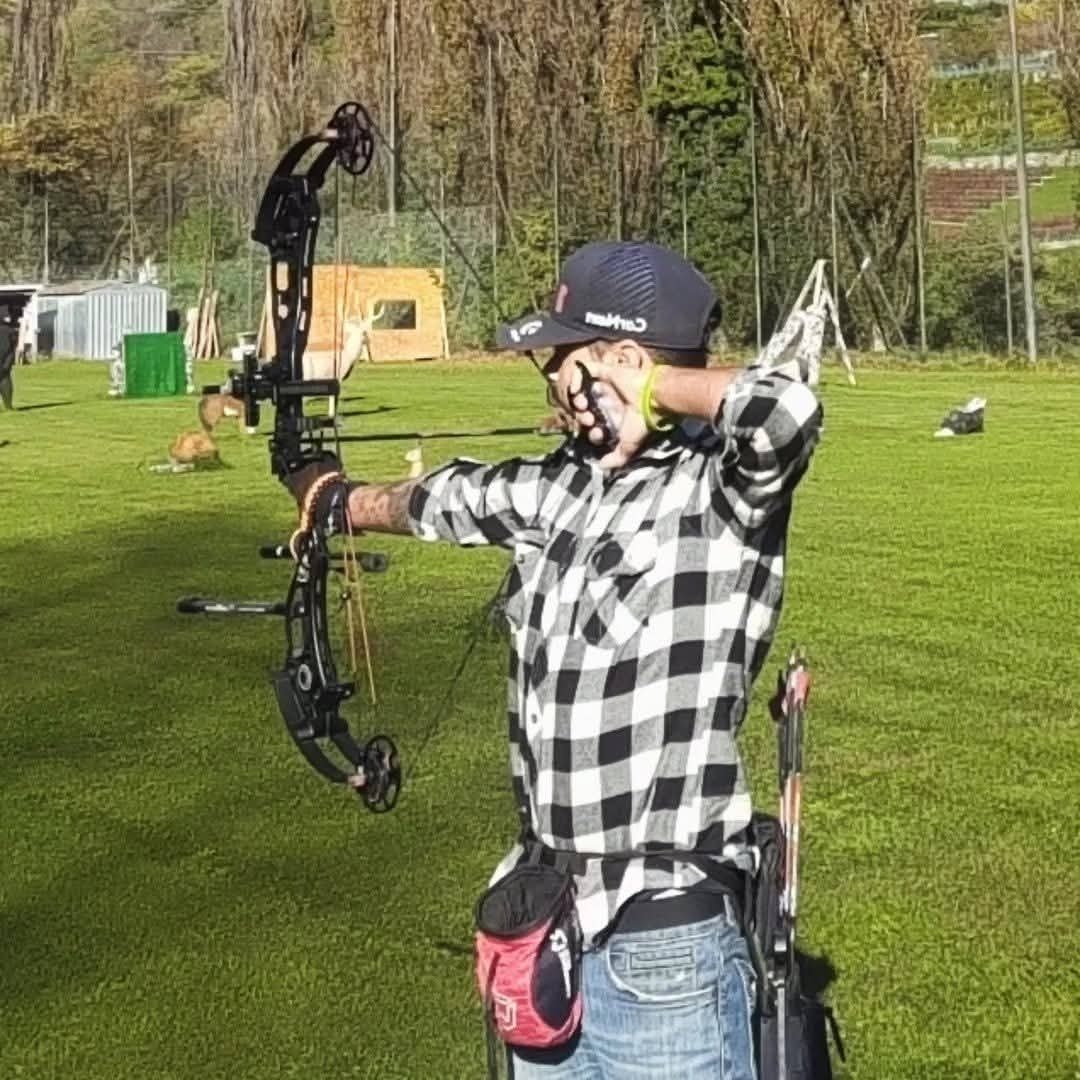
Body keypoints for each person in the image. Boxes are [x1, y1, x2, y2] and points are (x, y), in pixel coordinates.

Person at [289, 241, 823, 1079]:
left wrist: (650, 388)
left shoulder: (718, 493)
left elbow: (784, 409)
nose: (552, 383)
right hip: (544, 926)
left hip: (667, 945)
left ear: (623, 358)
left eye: (566, 360)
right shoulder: (557, 486)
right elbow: (431, 499)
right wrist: (323, 491)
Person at [0, 309, 18, 410]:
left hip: (4, 362)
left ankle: (8, 406)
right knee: (5, 381)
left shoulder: (11, 331)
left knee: (5, 381)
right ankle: (8, 406)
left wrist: (7, 364)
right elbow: (12, 349)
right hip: (5, 362)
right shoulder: (11, 331)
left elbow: (12, 349)